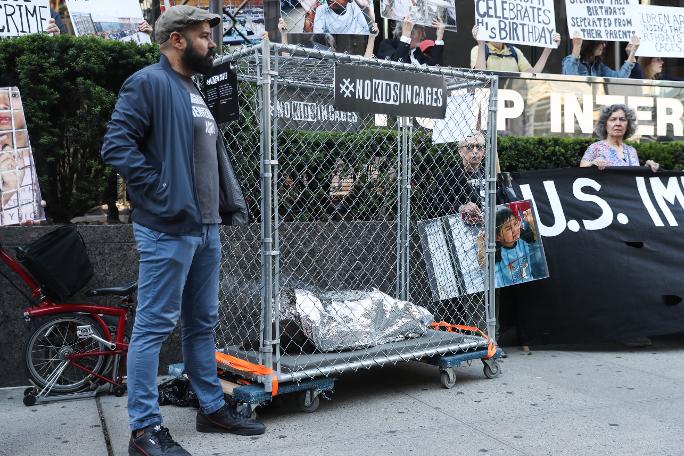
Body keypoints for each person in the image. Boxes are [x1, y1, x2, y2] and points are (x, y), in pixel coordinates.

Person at [101, 6, 263, 456]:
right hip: (169, 228)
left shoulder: (193, 88)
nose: (211, 43)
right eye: (204, 36)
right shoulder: (149, 82)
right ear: (177, 39)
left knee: (202, 323)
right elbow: (116, 145)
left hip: (205, 228)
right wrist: (164, 192)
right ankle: (144, 431)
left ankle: (211, 408)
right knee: (153, 326)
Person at [580, 104, 659, 172]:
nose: (618, 123)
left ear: (628, 125)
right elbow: (581, 174)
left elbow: (634, 178)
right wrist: (592, 165)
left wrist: (647, 169)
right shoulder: (594, 148)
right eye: (613, 119)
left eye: (622, 120)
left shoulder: (631, 151)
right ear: (605, 124)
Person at [434, 132, 486, 223]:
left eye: (479, 147)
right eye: (469, 147)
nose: (475, 151)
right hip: (461, 226)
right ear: (460, 151)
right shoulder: (451, 174)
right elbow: (436, 204)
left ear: (484, 152)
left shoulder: (487, 173)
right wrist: (462, 208)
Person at [471, 25, 560, 73]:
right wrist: (481, 44)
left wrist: (548, 49)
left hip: (510, 104)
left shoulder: (515, 52)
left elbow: (532, 74)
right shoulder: (478, 49)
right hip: (488, 104)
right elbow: (479, 75)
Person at [563, 33, 639, 78]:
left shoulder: (598, 66)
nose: (604, 45)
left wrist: (632, 53)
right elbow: (571, 78)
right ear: (590, 43)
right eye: (601, 42)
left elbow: (619, 77)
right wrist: (577, 46)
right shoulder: (569, 61)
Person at [377, 16, 444, 65]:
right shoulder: (387, 45)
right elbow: (397, 66)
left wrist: (439, 38)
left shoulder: (417, 52)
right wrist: (406, 35)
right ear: (410, 29)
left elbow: (435, 67)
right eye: (421, 30)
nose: (424, 35)